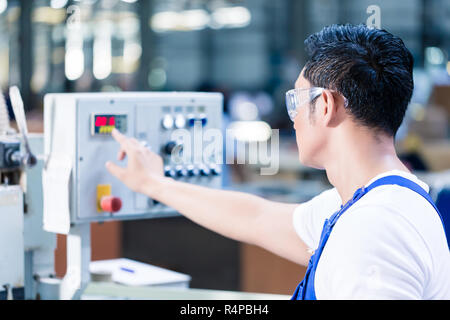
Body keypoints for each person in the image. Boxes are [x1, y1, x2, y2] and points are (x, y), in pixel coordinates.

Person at [105, 24, 450, 299]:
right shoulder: (361, 204)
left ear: (325, 105)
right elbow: (257, 217)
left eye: (296, 100)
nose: (295, 119)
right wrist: (153, 183)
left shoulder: (374, 228)